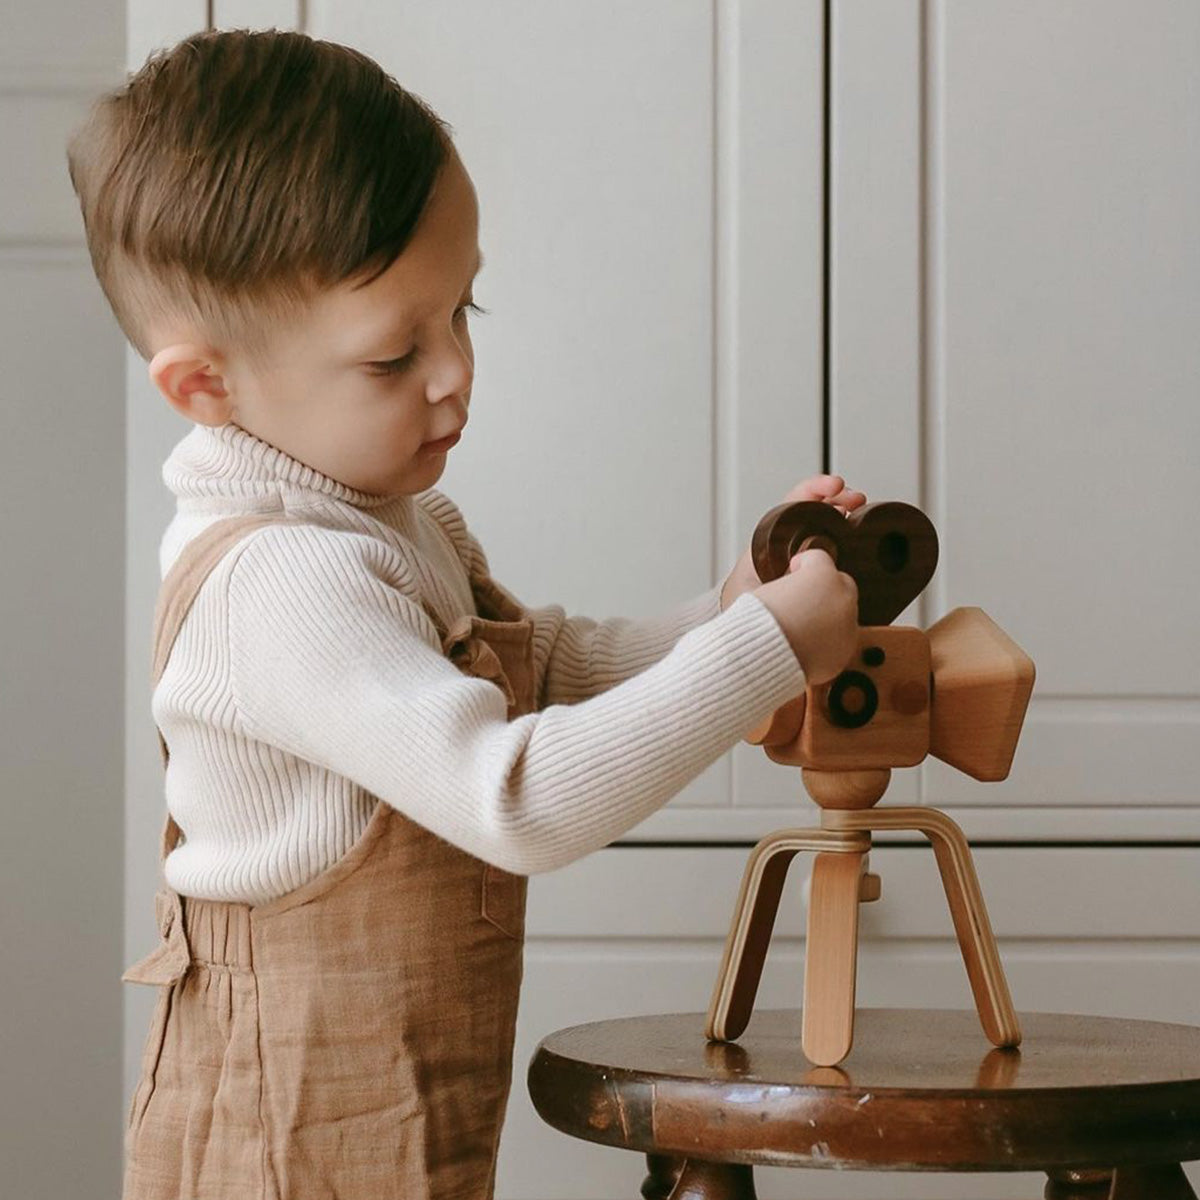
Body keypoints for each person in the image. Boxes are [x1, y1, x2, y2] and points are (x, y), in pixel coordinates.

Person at [67, 27, 864, 1200]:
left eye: (463, 310)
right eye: (394, 355)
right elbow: (519, 799)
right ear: (206, 386)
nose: (454, 373)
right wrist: (767, 651)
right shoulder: (278, 582)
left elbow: (538, 669)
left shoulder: (386, 520)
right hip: (277, 1141)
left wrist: (725, 609)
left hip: (393, 1106)